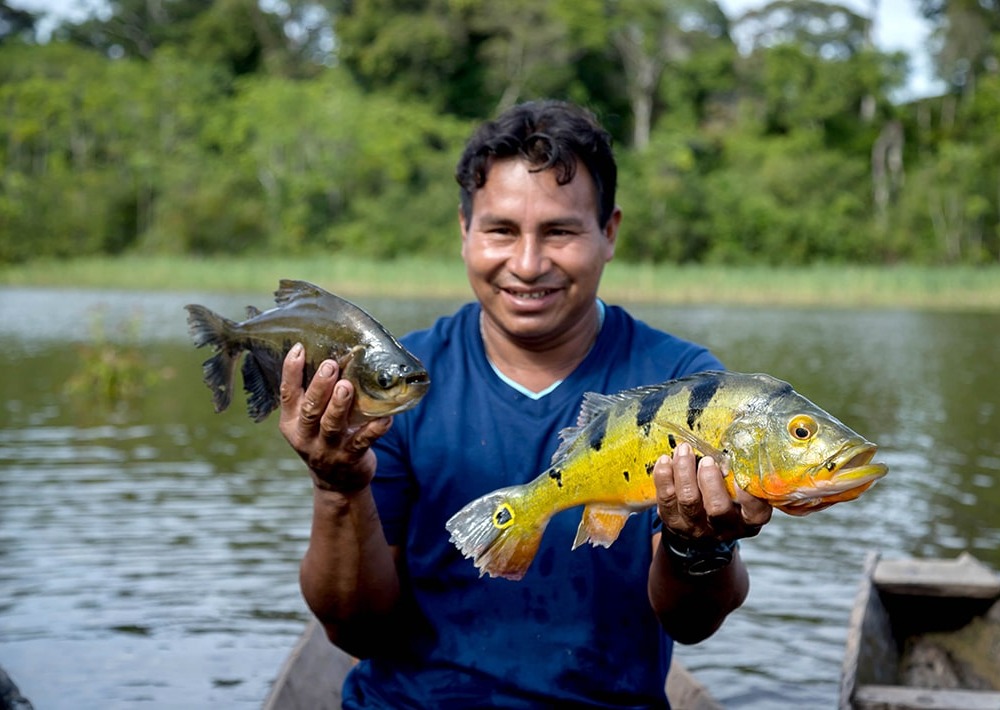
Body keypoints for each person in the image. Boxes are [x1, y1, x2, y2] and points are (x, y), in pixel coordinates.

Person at [278, 100, 773, 708]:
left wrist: (702, 544)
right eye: (501, 230)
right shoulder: (398, 382)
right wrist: (337, 487)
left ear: (609, 232)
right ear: (464, 231)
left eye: (560, 231)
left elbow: (692, 623)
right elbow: (355, 630)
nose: (529, 264)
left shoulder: (682, 385)